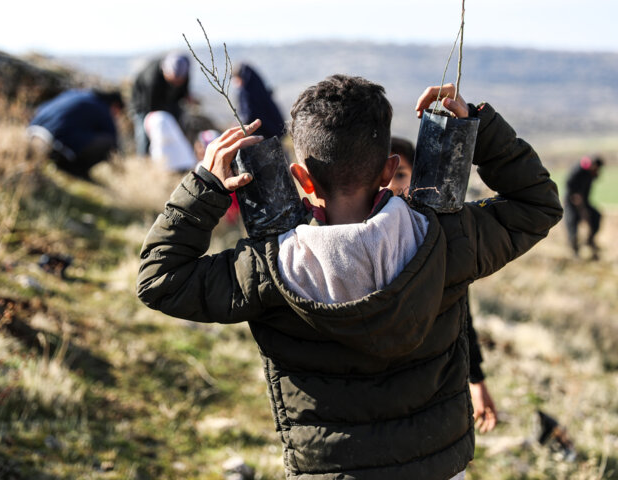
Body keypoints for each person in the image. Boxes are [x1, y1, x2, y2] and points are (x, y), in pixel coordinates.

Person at [136, 76, 562, 479]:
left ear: (300, 179)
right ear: (388, 169)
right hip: (440, 468)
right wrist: (477, 127)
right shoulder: (447, 240)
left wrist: (207, 184)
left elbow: (159, 278)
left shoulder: (267, 270)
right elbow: (537, 204)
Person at [388, 136, 497, 434]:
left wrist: (477, 380)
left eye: (400, 174)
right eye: (383, 176)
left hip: (436, 387)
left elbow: (462, 313)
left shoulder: (435, 237)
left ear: (417, 176)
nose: (390, 186)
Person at [28, 89, 124, 180]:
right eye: (117, 112)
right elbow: (115, 142)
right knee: (109, 141)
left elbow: (40, 108)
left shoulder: (75, 93)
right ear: (115, 105)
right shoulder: (103, 108)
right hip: (56, 146)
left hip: (31, 133)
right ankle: (74, 169)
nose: (116, 116)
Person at [131, 53, 192, 155]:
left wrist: (186, 96)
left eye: (180, 81)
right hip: (145, 105)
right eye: (173, 80)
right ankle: (144, 159)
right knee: (144, 134)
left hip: (170, 101)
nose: (177, 84)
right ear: (165, 72)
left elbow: (184, 90)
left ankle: (175, 157)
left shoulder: (184, 70)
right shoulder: (151, 79)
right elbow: (151, 107)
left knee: (177, 126)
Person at [564, 155, 603, 259]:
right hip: (571, 202)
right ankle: (575, 251)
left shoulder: (591, 173)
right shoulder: (579, 170)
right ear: (593, 165)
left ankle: (590, 240)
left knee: (596, 216)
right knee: (573, 222)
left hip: (584, 202)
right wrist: (576, 198)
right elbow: (569, 185)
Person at [232, 63, 285, 139]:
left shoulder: (246, 92)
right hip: (276, 130)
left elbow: (249, 116)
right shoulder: (259, 89)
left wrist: (237, 126)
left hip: (265, 133)